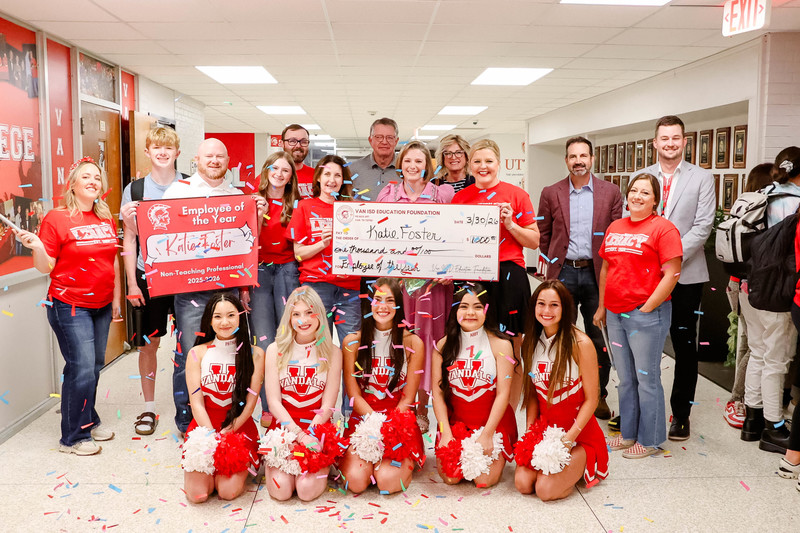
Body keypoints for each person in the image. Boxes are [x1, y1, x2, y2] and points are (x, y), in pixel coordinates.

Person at [15, 157, 122, 455]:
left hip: (101, 304)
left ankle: (87, 419)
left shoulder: (105, 217)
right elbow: (45, 267)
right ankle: (73, 438)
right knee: (82, 367)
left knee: (93, 367)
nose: (92, 181)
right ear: (73, 184)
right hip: (69, 304)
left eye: (97, 178)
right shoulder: (57, 218)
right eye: (86, 177)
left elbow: (111, 258)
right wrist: (37, 247)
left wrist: (115, 301)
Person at [162, 138, 267, 435]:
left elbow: (245, 242)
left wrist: (256, 214)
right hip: (190, 289)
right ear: (197, 159)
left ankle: (229, 419)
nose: (214, 161)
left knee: (229, 353)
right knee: (188, 354)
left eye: (220, 156)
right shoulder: (178, 192)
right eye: (209, 156)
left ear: (228, 160)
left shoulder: (237, 195)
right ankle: (187, 424)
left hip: (228, 289)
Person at [630, 115, 715, 441]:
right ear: (655, 142)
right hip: (644, 275)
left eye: (675, 138)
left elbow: (703, 226)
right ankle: (637, 406)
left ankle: (681, 414)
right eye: (664, 138)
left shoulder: (701, 178)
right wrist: (651, 259)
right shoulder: (643, 176)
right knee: (640, 341)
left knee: (684, 344)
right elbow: (632, 217)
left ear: (684, 141)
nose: (670, 143)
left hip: (685, 275)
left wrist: (670, 258)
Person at [593, 173, 683, 459]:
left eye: (645, 192)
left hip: (646, 315)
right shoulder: (616, 226)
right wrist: (602, 306)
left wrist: (647, 306)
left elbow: (672, 273)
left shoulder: (664, 229)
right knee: (626, 378)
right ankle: (629, 433)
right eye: (633, 190)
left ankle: (651, 439)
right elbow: (607, 269)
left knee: (647, 379)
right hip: (616, 315)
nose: (637, 196)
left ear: (656, 199)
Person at [537, 136, 622, 420]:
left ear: (592, 159)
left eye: (583, 155)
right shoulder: (551, 192)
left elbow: (616, 236)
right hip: (563, 273)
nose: (578, 161)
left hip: (598, 274)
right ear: (566, 160)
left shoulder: (610, 192)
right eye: (573, 156)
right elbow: (544, 235)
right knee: (560, 335)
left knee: (598, 337)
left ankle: (598, 395)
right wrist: (553, 265)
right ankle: (563, 394)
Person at [453, 139, 539, 407]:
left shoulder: (516, 195)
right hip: (470, 277)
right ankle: (476, 406)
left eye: (489, 161)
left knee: (512, 348)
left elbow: (534, 241)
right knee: (471, 342)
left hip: (508, 275)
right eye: (477, 161)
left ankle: (509, 412)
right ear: (470, 165)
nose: (483, 166)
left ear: (498, 164)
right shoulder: (460, 198)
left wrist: (511, 224)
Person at [376, 140, 455, 431]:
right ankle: (402, 402)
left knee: (430, 341)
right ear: (401, 163)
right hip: (398, 285)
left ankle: (423, 406)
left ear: (428, 165)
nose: (413, 166)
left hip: (433, 286)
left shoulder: (442, 194)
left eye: (419, 161)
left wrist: (452, 269)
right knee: (402, 339)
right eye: (408, 160)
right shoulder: (388, 194)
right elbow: (378, 236)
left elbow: (453, 236)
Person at [514, 280, 609, 500]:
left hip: (578, 434)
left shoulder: (581, 343)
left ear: (565, 308)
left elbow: (592, 399)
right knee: (522, 483)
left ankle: (579, 462)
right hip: (545, 430)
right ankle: (560, 470)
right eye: (541, 304)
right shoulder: (531, 342)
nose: (546, 311)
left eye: (554, 305)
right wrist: (530, 434)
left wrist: (568, 439)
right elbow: (533, 396)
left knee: (545, 491)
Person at [118, 126, 183, 436]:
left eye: (168, 147)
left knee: (192, 342)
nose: (162, 151)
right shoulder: (135, 190)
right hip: (149, 277)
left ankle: (190, 405)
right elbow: (129, 240)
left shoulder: (188, 186)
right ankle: (149, 407)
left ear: (177, 153)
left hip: (185, 278)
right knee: (150, 342)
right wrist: (131, 282)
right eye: (156, 146)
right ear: (147, 151)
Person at [339, 278, 425, 494]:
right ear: (369, 303)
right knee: (356, 482)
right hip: (363, 420)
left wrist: (388, 427)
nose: (383, 306)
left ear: (398, 306)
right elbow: (354, 394)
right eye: (377, 299)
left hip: (398, 422)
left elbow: (408, 398)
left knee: (387, 482)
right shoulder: (352, 342)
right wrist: (374, 423)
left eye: (390, 300)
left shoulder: (413, 343)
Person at [741, 147, 800, 453]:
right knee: (776, 360)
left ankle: (751, 419)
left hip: (748, 286)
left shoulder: (759, 195)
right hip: (778, 289)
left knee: (758, 352)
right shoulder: (796, 202)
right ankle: (774, 426)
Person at [432, 283, 518, 487]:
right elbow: (436, 392)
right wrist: (445, 432)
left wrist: (487, 435)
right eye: (464, 306)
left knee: (483, 479)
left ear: (487, 310)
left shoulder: (502, 345)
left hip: (492, 425)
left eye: (478, 307)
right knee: (451, 478)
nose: (470, 312)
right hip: (455, 425)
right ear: (455, 310)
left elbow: (503, 394)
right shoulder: (443, 345)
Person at [262, 286, 343, 501]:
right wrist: (298, 435)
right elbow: (273, 402)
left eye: (309, 312)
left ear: (319, 314)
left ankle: (322, 466)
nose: (303, 320)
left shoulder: (333, 352)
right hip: (284, 427)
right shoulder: (274, 349)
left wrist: (310, 435)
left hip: (317, 427)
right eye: (296, 314)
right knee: (281, 492)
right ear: (288, 317)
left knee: (306, 491)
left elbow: (328, 404)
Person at [182, 293, 265, 503]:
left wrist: (231, 429)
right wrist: (211, 436)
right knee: (198, 495)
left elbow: (251, 402)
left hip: (238, 429)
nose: (225, 322)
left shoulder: (256, 354)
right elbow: (197, 402)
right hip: (203, 429)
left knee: (227, 492)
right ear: (209, 320)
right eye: (218, 316)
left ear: (240, 317)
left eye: (231, 315)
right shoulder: (196, 353)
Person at [249, 151, 302, 427]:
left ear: (291, 176)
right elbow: (247, 243)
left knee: (287, 339)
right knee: (264, 340)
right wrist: (258, 215)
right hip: (258, 271)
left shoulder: (298, 204)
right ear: (265, 169)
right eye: (274, 168)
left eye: (285, 170)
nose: (279, 174)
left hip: (288, 270)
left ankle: (290, 401)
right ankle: (268, 406)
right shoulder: (252, 201)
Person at [285, 155, 361, 344]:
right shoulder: (304, 207)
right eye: (327, 174)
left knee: (351, 345)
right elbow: (299, 253)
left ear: (344, 180)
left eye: (338, 175)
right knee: (317, 344)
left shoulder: (355, 209)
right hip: (316, 286)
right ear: (318, 177)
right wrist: (322, 244)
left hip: (349, 287)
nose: (332, 180)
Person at [723, 163, 775, 429]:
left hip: (737, 284)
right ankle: (739, 398)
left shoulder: (741, 207)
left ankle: (741, 398)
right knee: (753, 346)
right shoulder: (763, 212)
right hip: (751, 286)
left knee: (747, 340)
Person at [347, 118, 399, 201]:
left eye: (389, 137)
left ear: (396, 141)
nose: (384, 142)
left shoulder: (407, 170)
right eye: (379, 137)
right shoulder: (352, 170)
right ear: (370, 140)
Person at [281, 124, 315, 199]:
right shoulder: (269, 177)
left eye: (304, 141)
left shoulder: (318, 176)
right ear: (282, 144)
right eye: (292, 141)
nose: (298, 146)